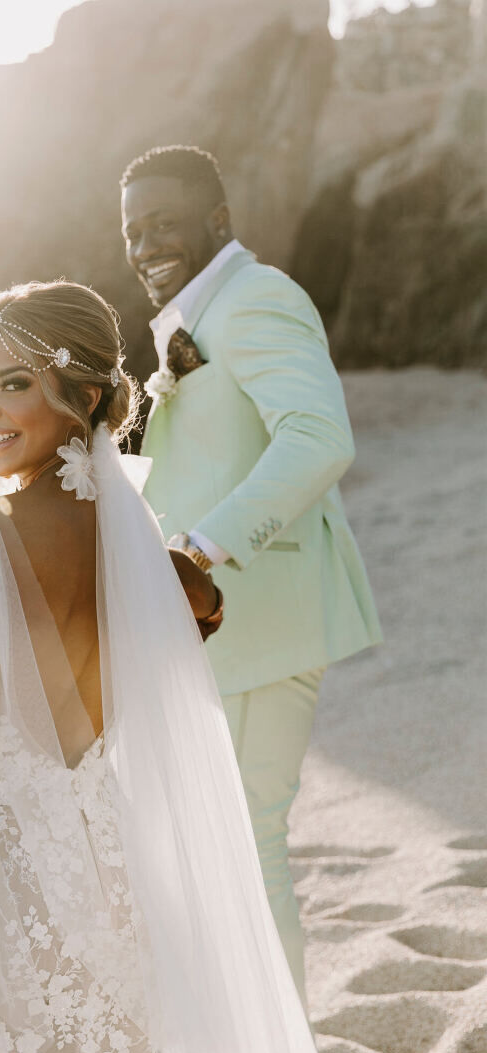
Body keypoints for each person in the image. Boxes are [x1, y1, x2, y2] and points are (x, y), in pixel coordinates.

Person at [0, 280, 370, 1053]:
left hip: (3, 880)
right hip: (105, 880)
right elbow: (177, 646)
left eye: (10, 383)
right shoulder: (141, 542)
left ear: (84, 395)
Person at [120, 145, 382, 1008]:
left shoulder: (257, 297)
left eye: (165, 223)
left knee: (248, 842)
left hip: (260, 614)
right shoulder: (198, 315)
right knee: (227, 844)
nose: (146, 243)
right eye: (133, 230)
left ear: (219, 222)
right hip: (219, 625)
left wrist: (198, 549)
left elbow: (319, 440)